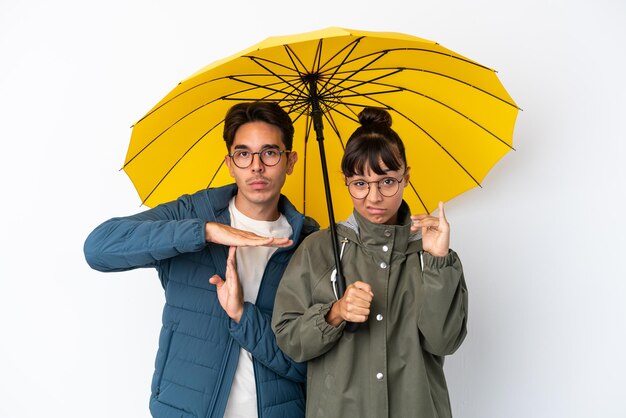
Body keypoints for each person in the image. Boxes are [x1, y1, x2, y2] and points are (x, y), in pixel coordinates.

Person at [84, 101, 318, 418]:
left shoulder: (310, 243)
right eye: (243, 154)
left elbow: (306, 364)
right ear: (230, 163)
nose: (257, 166)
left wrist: (241, 316)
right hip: (186, 410)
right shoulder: (192, 214)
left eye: (270, 152)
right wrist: (204, 232)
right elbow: (98, 248)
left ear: (290, 161)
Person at [272, 107, 469, 418]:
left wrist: (438, 261)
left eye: (387, 181)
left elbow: (444, 341)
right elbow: (288, 338)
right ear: (346, 181)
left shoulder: (430, 254)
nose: (374, 197)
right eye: (360, 183)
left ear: (406, 177)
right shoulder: (319, 249)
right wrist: (334, 314)